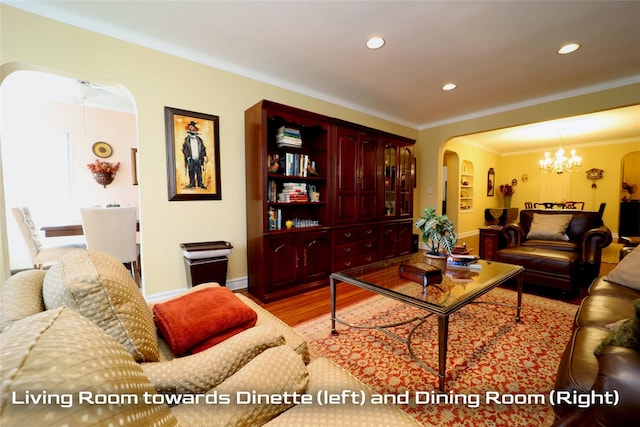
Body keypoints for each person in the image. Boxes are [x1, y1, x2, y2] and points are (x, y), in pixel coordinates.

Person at [181, 121, 207, 189]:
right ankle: (192, 184)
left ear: (195, 129)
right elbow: (184, 149)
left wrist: (204, 156)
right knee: (191, 171)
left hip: (198, 158)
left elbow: (203, 148)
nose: (192, 130)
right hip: (191, 159)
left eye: (193, 129)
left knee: (199, 172)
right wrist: (188, 157)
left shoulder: (199, 140)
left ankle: (200, 184)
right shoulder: (186, 140)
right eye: (190, 129)